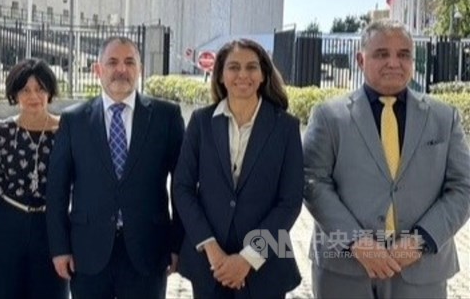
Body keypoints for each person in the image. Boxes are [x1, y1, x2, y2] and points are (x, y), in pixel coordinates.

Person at [305, 19, 470, 298]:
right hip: (344, 270)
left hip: (422, 269)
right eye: (382, 54)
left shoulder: (445, 117)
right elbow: (312, 181)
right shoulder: (329, 116)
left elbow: (463, 186)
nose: (394, 63)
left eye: (403, 54)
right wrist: (356, 242)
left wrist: (420, 241)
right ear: (360, 59)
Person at [46, 36, 185, 299]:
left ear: (140, 69)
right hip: (87, 252)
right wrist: (60, 247)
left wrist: (177, 244)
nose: (121, 69)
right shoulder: (74, 120)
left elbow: (182, 186)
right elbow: (57, 190)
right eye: (112, 62)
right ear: (98, 69)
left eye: (129, 62)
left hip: (148, 251)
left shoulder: (167, 117)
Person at [173, 39, 304, 299]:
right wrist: (211, 248)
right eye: (233, 67)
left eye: (251, 67)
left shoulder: (286, 127)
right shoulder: (201, 122)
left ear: (263, 74)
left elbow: (289, 202)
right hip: (210, 265)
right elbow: (183, 188)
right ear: (220, 75)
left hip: (265, 266)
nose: (243, 75)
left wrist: (248, 258)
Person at [0, 58, 69, 299]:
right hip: (6, 223)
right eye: (25, 90)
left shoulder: (68, 133)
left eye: (40, 89)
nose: (33, 96)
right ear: (15, 93)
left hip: (52, 227)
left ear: (50, 92)